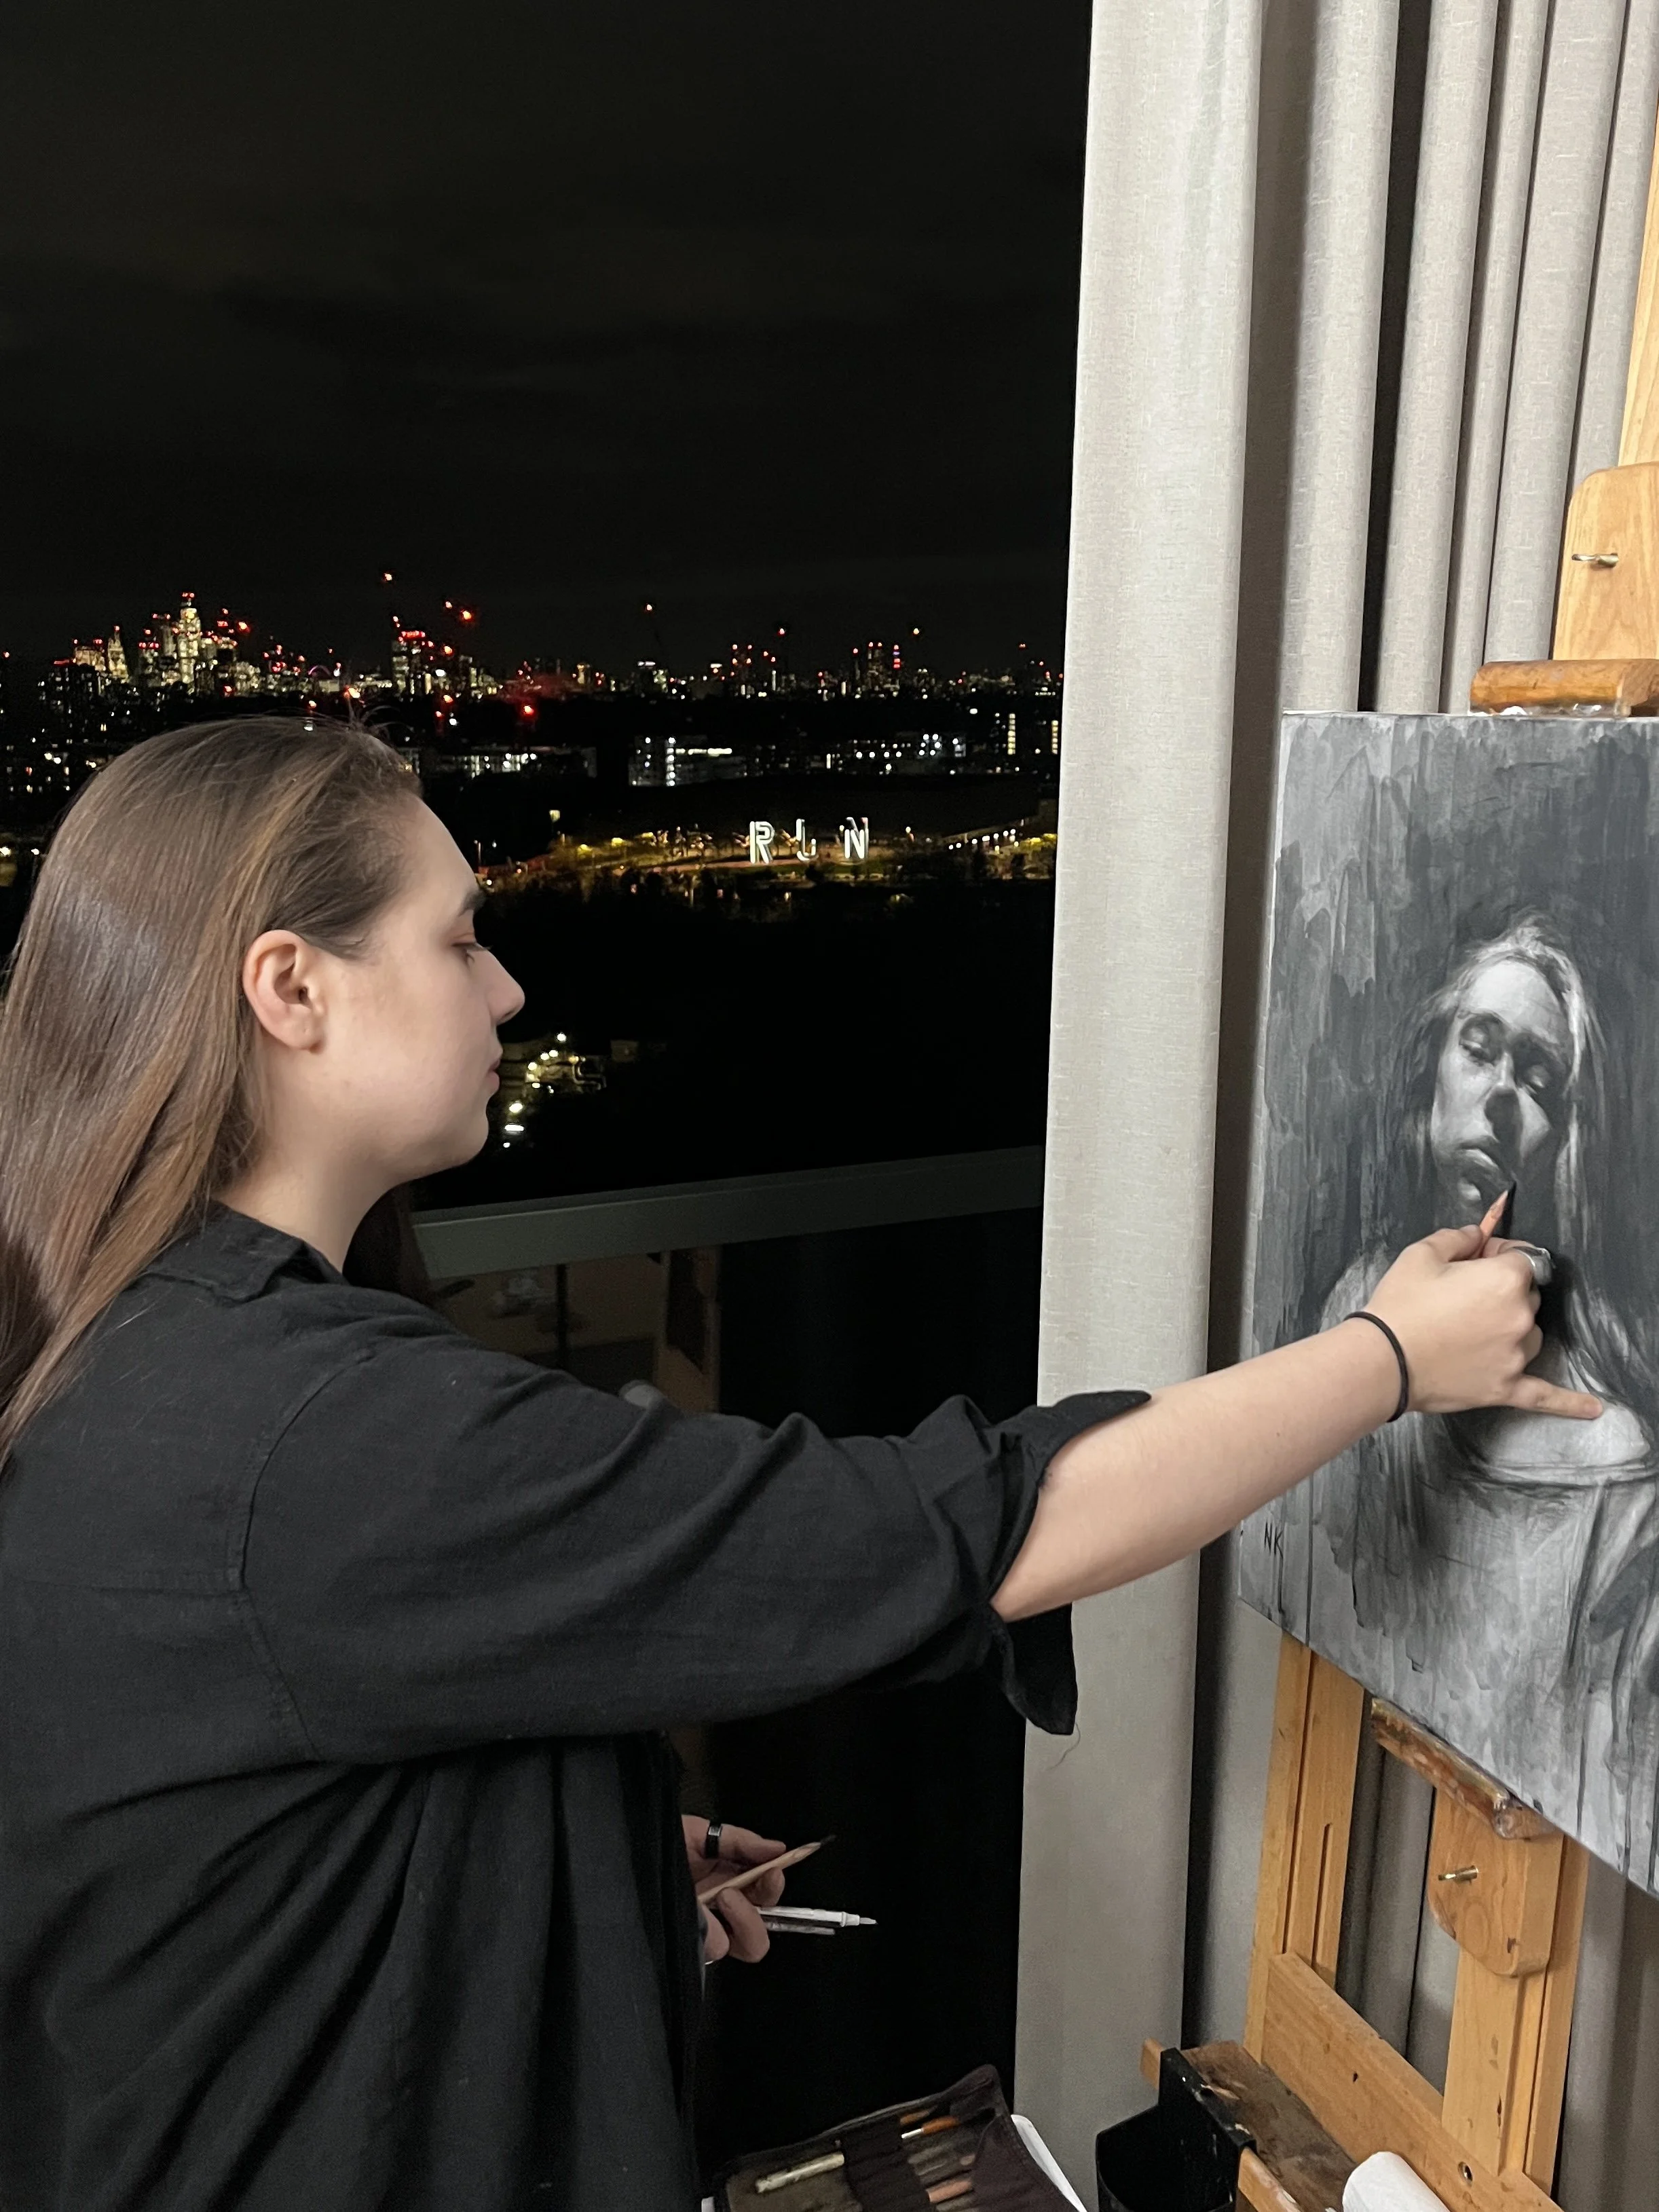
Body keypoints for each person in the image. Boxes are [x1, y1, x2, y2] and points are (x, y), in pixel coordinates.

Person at [0, 721, 1588, 2212]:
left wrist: (598, 1871)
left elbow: (243, 1860)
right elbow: (952, 1531)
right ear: (291, 988)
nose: (507, 990)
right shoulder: (316, 1438)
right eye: (460, 940)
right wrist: (1388, 1360)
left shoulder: (142, 1354)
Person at [1290, 918, 1658, 1872]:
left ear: (1572, 1137)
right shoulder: (1356, 1305)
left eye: (1538, 1080)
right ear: (1432, 1074)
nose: (1499, 1097)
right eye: (1479, 1048)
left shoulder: (1617, 1465)